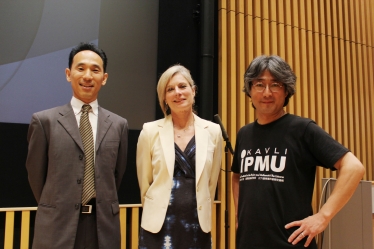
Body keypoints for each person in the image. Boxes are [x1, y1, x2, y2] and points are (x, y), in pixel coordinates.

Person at [231, 55, 365, 248]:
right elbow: (237, 176)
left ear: (286, 91)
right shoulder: (244, 134)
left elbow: (354, 168)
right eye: (259, 84)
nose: (266, 92)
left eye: (275, 84)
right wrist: (239, 215)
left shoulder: (302, 129)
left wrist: (323, 216)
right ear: (250, 90)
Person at [26, 42, 128, 249]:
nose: (88, 76)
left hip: (103, 229)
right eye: (80, 68)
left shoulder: (119, 125)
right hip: (57, 226)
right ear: (68, 74)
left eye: (95, 70)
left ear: (104, 78)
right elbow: (36, 176)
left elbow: (116, 176)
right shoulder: (44, 121)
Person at [136, 65, 222, 248]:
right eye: (170, 89)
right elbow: (145, 184)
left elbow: (211, 183)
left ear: (193, 91)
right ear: (164, 98)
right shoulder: (149, 131)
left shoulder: (213, 132)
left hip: (197, 225)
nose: (177, 93)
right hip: (157, 227)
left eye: (182, 86)